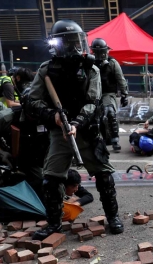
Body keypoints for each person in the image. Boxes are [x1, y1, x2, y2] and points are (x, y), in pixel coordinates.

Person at [27, 19, 124, 239]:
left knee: (104, 176)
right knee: (51, 179)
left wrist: (77, 122)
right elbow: (33, 101)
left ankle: (113, 217)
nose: (72, 47)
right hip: (59, 131)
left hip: (87, 130)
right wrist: (54, 117)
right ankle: (54, 222)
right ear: (56, 44)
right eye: (67, 42)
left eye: (75, 41)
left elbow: (93, 101)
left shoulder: (92, 69)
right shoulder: (46, 70)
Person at [0, 84, 45, 194]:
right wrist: (0, 151)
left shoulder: (49, 119)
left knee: (41, 181)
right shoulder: (7, 116)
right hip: (5, 148)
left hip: (32, 154)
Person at [90, 38, 128, 153]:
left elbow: (120, 79)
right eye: (97, 52)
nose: (100, 55)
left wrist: (124, 94)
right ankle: (100, 139)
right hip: (93, 94)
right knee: (94, 117)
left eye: (102, 52)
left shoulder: (112, 63)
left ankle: (115, 140)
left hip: (108, 94)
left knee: (110, 112)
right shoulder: (89, 63)